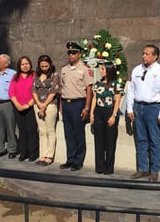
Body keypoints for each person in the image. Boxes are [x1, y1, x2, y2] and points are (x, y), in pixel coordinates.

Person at [126, 44, 160, 181]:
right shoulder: (137, 70)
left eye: (147, 54)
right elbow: (131, 90)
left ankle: (154, 170)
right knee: (141, 139)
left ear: (155, 56)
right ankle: (142, 168)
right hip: (139, 107)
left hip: (153, 108)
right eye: (143, 53)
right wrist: (129, 108)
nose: (144, 56)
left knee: (154, 140)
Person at [60, 42, 94, 171]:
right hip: (66, 103)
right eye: (69, 53)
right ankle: (70, 158)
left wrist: (86, 107)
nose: (71, 55)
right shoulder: (64, 69)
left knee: (78, 133)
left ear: (79, 54)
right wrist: (62, 106)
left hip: (78, 103)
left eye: (73, 53)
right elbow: (62, 88)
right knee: (68, 134)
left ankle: (78, 160)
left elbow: (89, 89)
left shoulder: (85, 69)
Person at [90, 61, 124, 174]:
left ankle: (109, 168)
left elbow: (118, 100)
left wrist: (113, 115)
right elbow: (94, 98)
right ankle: (99, 167)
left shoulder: (116, 84)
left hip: (110, 111)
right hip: (99, 112)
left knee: (110, 141)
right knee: (99, 141)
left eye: (103, 69)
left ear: (109, 70)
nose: (100, 71)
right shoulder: (97, 84)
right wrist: (92, 113)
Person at [9, 56, 39, 162]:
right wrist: (17, 105)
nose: (25, 66)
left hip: (30, 107)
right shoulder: (15, 77)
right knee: (22, 131)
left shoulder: (34, 75)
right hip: (18, 107)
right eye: (22, 64)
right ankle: (23, 152)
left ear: (30, 64)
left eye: (27, 63)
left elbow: (36, 91)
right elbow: (11, 92)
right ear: (19, 66)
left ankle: (33, 153)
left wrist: (28, 105)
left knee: (32, 130)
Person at [32, 55, 60, 166]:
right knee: (42, 131)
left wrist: (44, 105)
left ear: (50, 64)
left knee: (50, 130)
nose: (44, 68)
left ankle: (49, 155)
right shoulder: (36, 75)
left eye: (46, 65)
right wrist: (39, 104)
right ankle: (42, 155)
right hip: (37, 105)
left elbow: (54, 92)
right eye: (42, 66)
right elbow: (33, 90)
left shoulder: (54, 76)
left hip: (50, 105)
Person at [0, 54, 19, 159]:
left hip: (8, 103)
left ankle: (12, 149)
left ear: (6, 63)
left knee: (10, 127)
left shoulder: (13, 74)